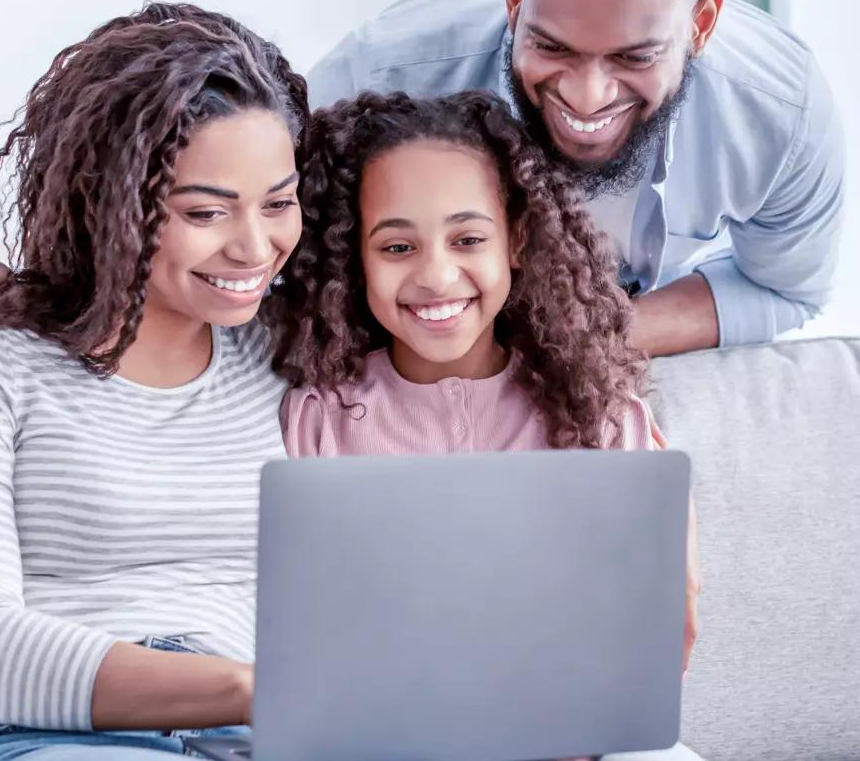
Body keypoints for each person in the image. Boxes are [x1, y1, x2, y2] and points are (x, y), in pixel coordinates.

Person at [0, 0, 846, 382]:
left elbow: (783, 289)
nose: (589, 96)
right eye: (553, 46)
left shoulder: (783, 113)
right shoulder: (390, 66)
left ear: (705, 22)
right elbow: (227, 214)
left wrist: (569, 338)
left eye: (634, 58)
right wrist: (36, 291)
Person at [0, 3, 308, 759]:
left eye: (279, 203)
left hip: (268, 733)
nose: (254, 246)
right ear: (108, 203)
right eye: (205, 212)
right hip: (36, 735)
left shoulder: (293, 350)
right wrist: (253, 686)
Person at [275, 88, 700, 673]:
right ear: (357, 259)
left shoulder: (601, 417)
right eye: (397, 247)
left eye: (468, 239)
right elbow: (304, 631)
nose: (437, 275)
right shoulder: (318, 422)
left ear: (516, 240)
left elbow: (652, 640)